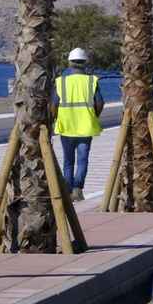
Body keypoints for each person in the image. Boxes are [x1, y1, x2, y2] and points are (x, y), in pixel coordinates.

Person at [51, 47, 104, 202]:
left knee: (68, 161)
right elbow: (100, 103)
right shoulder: (91, 81)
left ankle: (67, 191)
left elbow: (54, 105)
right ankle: (77, 189)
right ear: (85, 63)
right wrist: (92, 117)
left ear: (69, 63)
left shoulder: (62, 82)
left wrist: (56, 118)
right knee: (82, 160)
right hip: (85, 128)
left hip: (66, 127)